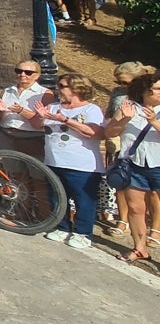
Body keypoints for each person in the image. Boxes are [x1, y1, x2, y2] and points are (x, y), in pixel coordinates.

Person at [24, 73, 105, 248]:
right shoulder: (53, 107)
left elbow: (95, 133)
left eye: (62, 86)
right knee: (57, 197)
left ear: (76, 88)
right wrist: (40, 116)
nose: (58, 89)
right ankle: (62, 227)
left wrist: (66, 120)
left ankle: (83, 233)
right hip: (53, 161)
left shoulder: (91, 109)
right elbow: (37, 125)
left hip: (82, 165)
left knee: (83, 200)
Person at [103, 71, 160, 263]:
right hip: (133, 164)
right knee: (136, 208)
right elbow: (109, 131)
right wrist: (124, 120)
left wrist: (154, 122)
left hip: (158, 164)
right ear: (144, 91)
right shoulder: (128, 107)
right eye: (156, 89)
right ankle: (139, 248)